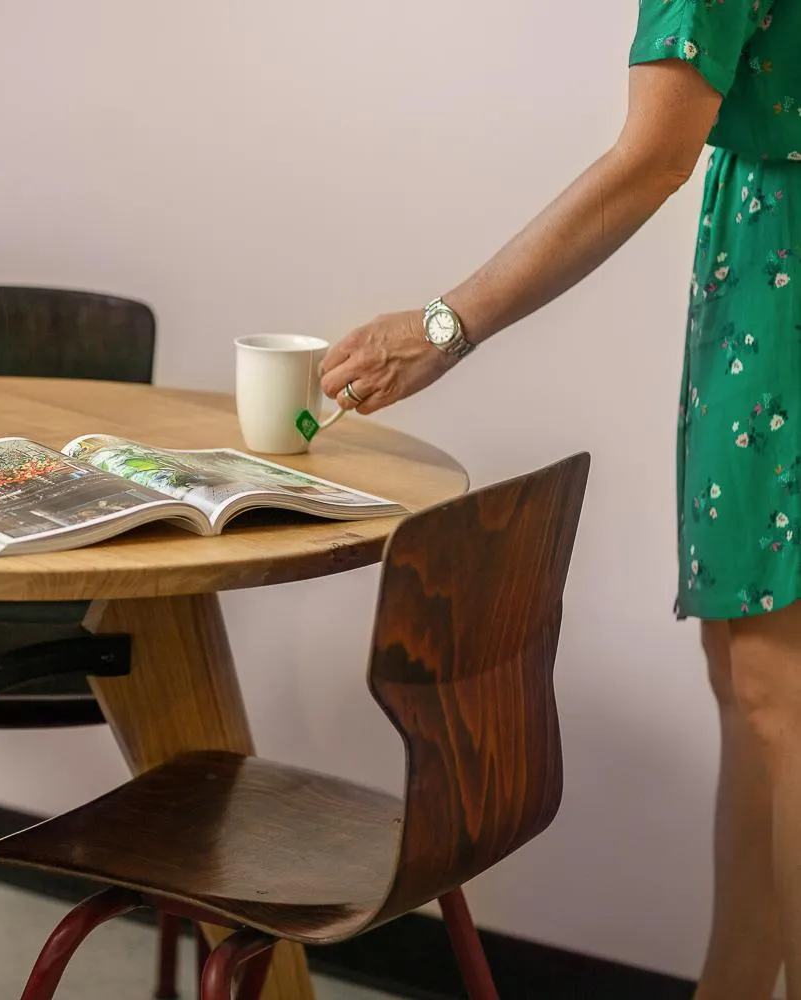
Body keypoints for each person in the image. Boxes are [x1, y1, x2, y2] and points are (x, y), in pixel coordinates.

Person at [318, 4, 800, 997]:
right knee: (754, 685)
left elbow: (654, 155)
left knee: (778, 692)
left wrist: (445, 326)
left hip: (784, 276)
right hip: (765, 259)